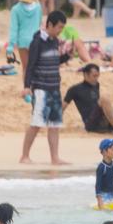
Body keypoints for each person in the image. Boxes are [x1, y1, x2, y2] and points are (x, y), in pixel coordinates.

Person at [20, 10, 69, 165]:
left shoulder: (55, 41)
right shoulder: (37, 42)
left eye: (62, 28)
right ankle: (24, 156)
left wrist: (67, 56)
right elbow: (30, 66)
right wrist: (27, 86)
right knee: (37, 123)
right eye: (59, 27)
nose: (60, 31)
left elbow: (54, 61)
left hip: (55, 88)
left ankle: (55, 158)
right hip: (40, 88)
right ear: (49, 25)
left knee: (54, 125)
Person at [63, 63, 113, 136]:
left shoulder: (96, 85)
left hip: (104, 122)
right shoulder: (74, 89)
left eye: (98, 76)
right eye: (94, 76)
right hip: (92, 125)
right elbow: (63, 106)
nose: (96, 78)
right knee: (104, 99)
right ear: (85, 75)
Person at [8, 0, 43, 76]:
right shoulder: (38, 7)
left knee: (26, 68)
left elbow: (14, 29)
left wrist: (10, 46)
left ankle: (27, 89)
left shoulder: (15, 9)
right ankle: (35, 88)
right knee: (35, 67)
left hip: (22, 41)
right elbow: (40, 23)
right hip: (36, 40)